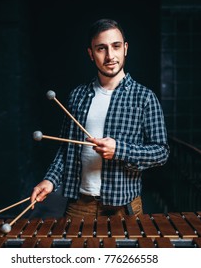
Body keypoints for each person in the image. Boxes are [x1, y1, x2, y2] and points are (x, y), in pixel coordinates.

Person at [31, 18, 169, 217]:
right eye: (101, 48)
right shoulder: (77, 96)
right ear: (91, 53)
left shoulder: (145, 98)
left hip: (124, 206)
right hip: (80, 204)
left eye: (116, 46)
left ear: (125, 48)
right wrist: (50, 180)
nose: (110, 55)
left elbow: (161, 152)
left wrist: (119, 150)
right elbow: (66, 149)